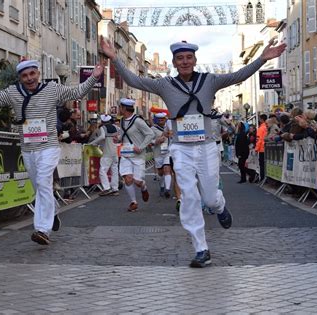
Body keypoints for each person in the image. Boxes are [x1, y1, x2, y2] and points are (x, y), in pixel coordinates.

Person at [100, 35, 286, 267]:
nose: (185, 61)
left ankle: (219, 205)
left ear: (195, 59)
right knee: (189, 197)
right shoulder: (164, 85)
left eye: (189, 57)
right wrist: (114, 58)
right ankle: (201, 248)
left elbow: (239, 75)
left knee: (209, 197)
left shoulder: (210, 80)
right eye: (180, 58)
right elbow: (134, 80)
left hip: (206, 146)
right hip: (181, 148)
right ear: (174, 62)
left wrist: (262, 59)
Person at [0, 58, 104, 245]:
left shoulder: (52, 89)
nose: (29, 78)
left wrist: (93, 77)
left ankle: (42, 229)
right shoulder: (13, 92)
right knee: (39, 186)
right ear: (20, 77)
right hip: (28, 148)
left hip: (49, 146)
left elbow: (76, 92)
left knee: (43, 180)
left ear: (38, 73)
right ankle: (52, 211)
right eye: (24, 75)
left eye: (32, 74)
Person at [117, 98, 154, 212]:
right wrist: (117, 138)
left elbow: (150, 134)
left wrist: (141, 147)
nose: (119, 109)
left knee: (137, 182)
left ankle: (144, 187)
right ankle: (133, 202)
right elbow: (124, 135)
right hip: (126, 154)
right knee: (128, 179)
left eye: (120, 107)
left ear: (124, 108)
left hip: (138, 155)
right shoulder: (122, 120)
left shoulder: (138, 121)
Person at [89, 114, 119, 196]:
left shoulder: (103, 128)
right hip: (115, 152)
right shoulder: (116, 127)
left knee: (102, 171)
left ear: (102, 121)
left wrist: (93, 143)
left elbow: (102, 137)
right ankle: (115, 189)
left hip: (107, 153)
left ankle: (107, 188)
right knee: (114, 171)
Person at [151, 112, 172, 198]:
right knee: (160, 172)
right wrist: (156, 141)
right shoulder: (153, 129)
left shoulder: (170, 127)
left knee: (167, 169)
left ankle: (167, 189)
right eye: (159, 119)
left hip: (168, 152)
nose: (161, 121)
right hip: (158, 152)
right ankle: (162, 186)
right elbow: (149, 140)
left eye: (162, 119)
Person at [255, 114, 268, 182]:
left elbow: (259, 139)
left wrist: (256, 149)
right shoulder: (267, 126)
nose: (259, 120)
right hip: (267, 148)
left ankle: (262, 178)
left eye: (259, 119)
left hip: (262, 149)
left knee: (262, 164)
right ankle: (265, 178)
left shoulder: (261, 128)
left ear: (262, 119)